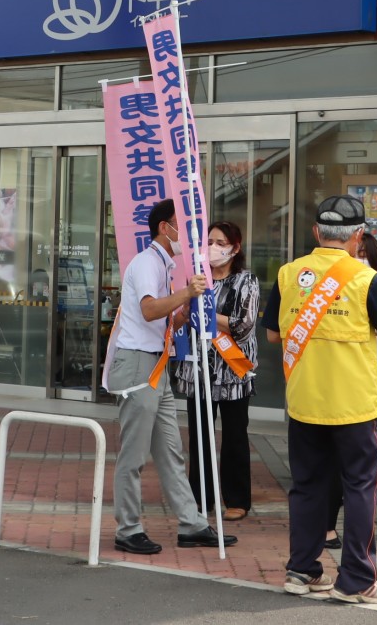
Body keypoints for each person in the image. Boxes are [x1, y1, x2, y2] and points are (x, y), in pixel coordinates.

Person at [262, 195, 377, 604]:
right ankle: (357, 580)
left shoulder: (290, 274)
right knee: (360, 486)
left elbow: (273, 334)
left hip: (304, 399)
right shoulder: (366, 279)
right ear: (359, 236)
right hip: (353, 405)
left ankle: (301, 570)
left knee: (306, 486)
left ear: (315, 233)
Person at [106, 199, 237, 555]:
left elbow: (159, 317)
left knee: (170, 451)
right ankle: (128, 529)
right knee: (133, 454)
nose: (188, 235)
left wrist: (182, 312)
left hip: (156, 365)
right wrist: (186, 293)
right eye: (181, 225)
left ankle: (192, 524)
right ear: (165, 228)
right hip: (138, 366)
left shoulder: (163, 265)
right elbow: (149, 310)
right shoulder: (148, 262)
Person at [178, 221, 259, 522]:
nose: (213, 247)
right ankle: (201, 498)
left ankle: (237, 500)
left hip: (233, 372)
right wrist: (189, 307)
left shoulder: (245, 281)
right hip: (199, 370)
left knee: (235, 437)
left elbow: (243, 325)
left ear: (235, 248)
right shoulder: (197, 280)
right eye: (209, 241)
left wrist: (208, 314)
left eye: (220, 242)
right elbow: (182, 317)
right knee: (200, 437)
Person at [325, 231, 377, 550]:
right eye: (359, 251)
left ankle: (344, 537)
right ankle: (335, 534)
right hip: (344, 391)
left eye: (368, 254)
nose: (361, 257)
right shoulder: (341, 285)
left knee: (349, 472)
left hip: (361, 386)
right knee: (340, 470)